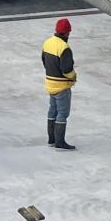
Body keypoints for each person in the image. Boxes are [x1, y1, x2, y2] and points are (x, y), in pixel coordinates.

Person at [42, 18, 79, 149]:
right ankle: (60, 142)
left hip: (50, 83)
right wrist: (73, 77)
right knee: (62, 113)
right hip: (62, 86)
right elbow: (67, 69)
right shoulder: (64, 48)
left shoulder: (47, 43)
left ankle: (51, 139)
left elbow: (44, 61)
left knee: (52, 110)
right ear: (67, 33)